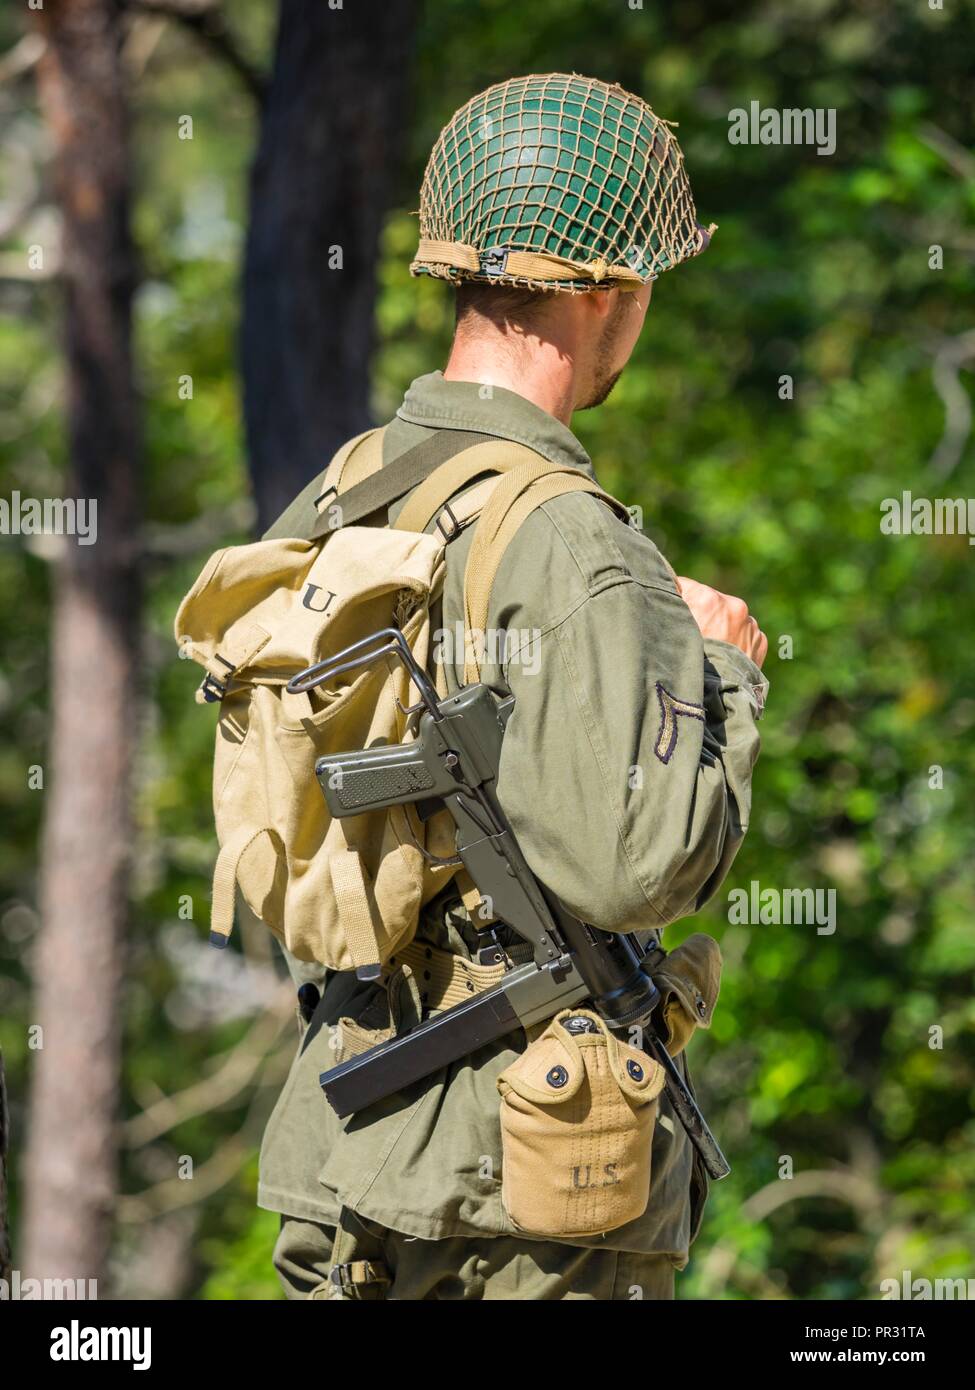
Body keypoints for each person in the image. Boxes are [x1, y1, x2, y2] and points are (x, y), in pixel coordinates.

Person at [258, 72, 769, 1301]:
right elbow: (635, 867)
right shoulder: (570, 538)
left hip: (349, 1140)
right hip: (527, 1189)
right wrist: (723, 678)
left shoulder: (347, 493)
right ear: (612, 289)